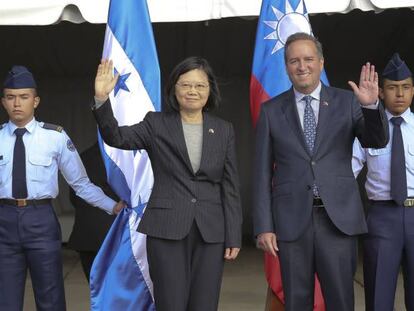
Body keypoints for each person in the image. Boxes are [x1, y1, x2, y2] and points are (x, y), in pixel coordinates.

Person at [91, 56, 242, 311]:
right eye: (185, 84)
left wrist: (234, 235)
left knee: (205, 304)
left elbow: (230, 186)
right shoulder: (156, 124)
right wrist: (101, 99)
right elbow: (116, 137)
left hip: (211, 232)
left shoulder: (224, 129)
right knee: (171, 303)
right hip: (166, 229)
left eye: (200, 86)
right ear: (174, 88)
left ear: (209, 90)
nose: (192, 91)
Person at [253, 32, 389, 311]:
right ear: (286, 66)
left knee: (341, 300)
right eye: (294, 61)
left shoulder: (347, 101)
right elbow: (261, 173)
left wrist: (371, 106)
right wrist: (264, 226)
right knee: (297, 301)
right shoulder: (271, 110)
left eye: (308, 59)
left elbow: (376, 141)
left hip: (337, 220)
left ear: (321, 62)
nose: (302, 66)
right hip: (292, 221)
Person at [0, 65, 124, 311]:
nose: (17, 103)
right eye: (11, 97)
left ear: (36, 101)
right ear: (3, 101)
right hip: (3, 220)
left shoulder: (55, 137)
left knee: (50, 295)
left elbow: (80, 185)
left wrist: (113, 206)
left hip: (41, 219)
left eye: (24, 97)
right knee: (5, 297)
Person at [352, 53, 414, 311]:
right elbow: (346, 173)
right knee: (378, 295)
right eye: (392, 88)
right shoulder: (367, 128)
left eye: (406, 87)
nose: (399, 94)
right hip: (381, 217)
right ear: (380, 92)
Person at [67, 142, 118, 282]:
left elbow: (73, 196)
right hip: (117, 234)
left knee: (96, 291)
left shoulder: (82, 156)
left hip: (87, 236)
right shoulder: (127, 157)